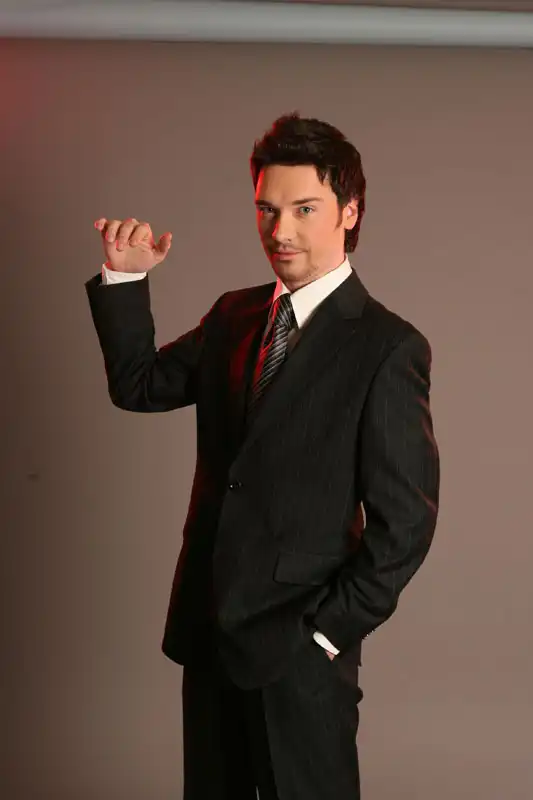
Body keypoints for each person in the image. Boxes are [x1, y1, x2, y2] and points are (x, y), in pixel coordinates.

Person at [86, 112, 440, 800]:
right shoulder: (234, 315)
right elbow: (139, 387)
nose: (279, 231)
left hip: (300, 651)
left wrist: (327, 635)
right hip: (208, 633)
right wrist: (124, 280)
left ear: (349, 211)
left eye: (304, 209)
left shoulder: (387, 347)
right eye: (266, 209)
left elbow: (406, 524)